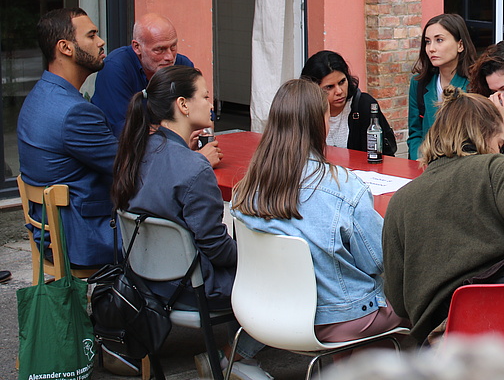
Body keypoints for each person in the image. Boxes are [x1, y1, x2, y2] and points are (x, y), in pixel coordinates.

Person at [110, 65, 268, 380]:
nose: (212, 103)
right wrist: (260, 255)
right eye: (205, 96)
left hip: (146, 284)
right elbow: (218, 250)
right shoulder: (194, 168)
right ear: (183, 105)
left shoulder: (137, 150)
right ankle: (235, 359)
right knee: (281, 271)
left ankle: (235, 359)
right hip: (191, 289)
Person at [383, 87, 504, 342]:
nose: (500, 151)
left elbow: (397, 298)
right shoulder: (494, 166)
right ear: (485, 136)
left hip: (444, 339)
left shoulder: (400, 200)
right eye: (499, 144)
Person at [232, 79, 405, 345]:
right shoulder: (343, 187)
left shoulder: (247, 187)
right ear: (318, 123)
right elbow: (379, 261)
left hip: (268, 311)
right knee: (421, 297)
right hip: (339, 317)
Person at [17, 8, 118, 268]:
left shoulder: (40, 95)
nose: (101, 41)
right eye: (92, 35)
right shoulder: (75, 112)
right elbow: (129, 166)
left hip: (50, 231)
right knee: (177, 232)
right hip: (82, 237)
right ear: (65, 47)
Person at [92, 13, 195, 136]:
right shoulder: (115, 68)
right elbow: (123, 130)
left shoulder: (182, 65)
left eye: (173, 47)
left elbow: (203, 114)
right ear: (137, 47)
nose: (170, 57)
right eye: (159, 49)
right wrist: (177, 132)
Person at [300, 50, 397, 156]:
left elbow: (383, 155)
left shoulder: (364, 105)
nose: (339, 91)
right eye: (329, 87)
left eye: (342, 82)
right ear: (313, 88)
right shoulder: (304, 111)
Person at [407, 13, 477, 159]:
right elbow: (415, 133)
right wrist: (419, 159)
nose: (431, 48)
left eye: (439, 40)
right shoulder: (419, 83)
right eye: (427, 42)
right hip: (426, 167)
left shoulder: (475, 84)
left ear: (460, 45)